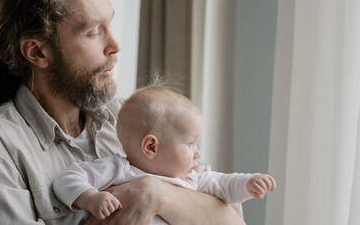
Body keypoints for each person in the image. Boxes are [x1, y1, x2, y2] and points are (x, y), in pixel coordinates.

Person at [0, 0, 247, 224]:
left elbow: (232, 220)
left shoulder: (131, 117)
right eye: (92, 32)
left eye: (110, 24)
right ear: (37, 52)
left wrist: (155, 194)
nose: (115, 45)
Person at [53, 85, 276, 223]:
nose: (197, 154)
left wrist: (248, 184)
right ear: (151, 147)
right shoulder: (119, 170)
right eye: (190, 144)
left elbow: (225, 185)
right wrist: (90, 198)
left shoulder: (191, 179)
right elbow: (67, 179)